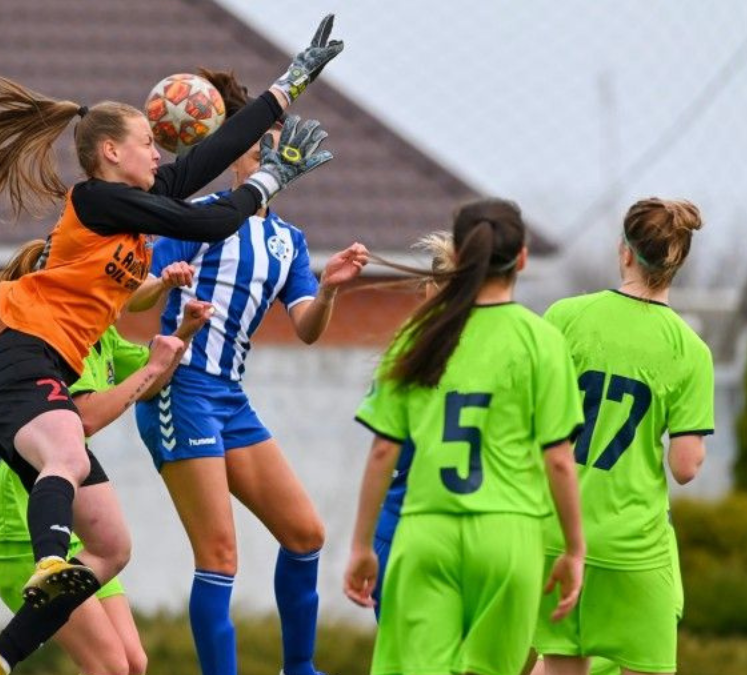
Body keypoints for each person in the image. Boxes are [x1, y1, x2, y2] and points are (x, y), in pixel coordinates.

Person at [0, 15, 345, 675]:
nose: (159, 154)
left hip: (47, 369)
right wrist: (271, 179)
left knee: (111, 546)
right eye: (146, 144)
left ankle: (0, 655)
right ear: (110, 152)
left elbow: (209, 161)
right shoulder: (97, 200)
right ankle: (48, 557)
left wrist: (288, 86)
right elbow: (209, 221)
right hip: (20, 362)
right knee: (66, 453)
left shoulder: (130, 204)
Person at [127, 66, 368, 675]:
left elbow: (307, 327)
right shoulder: (199, 216)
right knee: (220, 556)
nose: (266, 150)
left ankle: (299, 668)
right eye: (256, 142)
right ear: (233, 151)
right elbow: (133, 297)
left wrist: (330, 289)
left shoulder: (289, 241)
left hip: (229, 399)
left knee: (306, 534)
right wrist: (165, 281)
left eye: (274, 143)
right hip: (180, 390)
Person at [343, 198, 586, 675]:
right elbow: (559, 459)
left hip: (426, 532)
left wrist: (360, 546)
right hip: (507, 537)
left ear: (458, 256)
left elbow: (384, 451)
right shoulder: (542, 341)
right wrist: (575, 549)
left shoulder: (419, 335)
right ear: (522, 259)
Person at [0, 256, 211, 675]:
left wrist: (183, 334)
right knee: (109, 668)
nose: (120, 290)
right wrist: (155, 365)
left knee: (133, 663)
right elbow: (87, 415)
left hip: (78, 529)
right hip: (22, 532)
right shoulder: (64, 343)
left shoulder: (102, 335)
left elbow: (147, 380)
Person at [534, 198, 711, 675]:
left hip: (556, 534)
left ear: (625, 252)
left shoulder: (565, 316)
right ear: (678, 262)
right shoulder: (691, 350)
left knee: (560, 663)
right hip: (634, 546)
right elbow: (685, 467)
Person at [364, 232, 454, 621]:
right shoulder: (516, 350)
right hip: (481, 533)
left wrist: (358, 544)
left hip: (404, 527)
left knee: (400, 649)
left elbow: (386, 450)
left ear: (430, 289)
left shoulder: (407, 351)